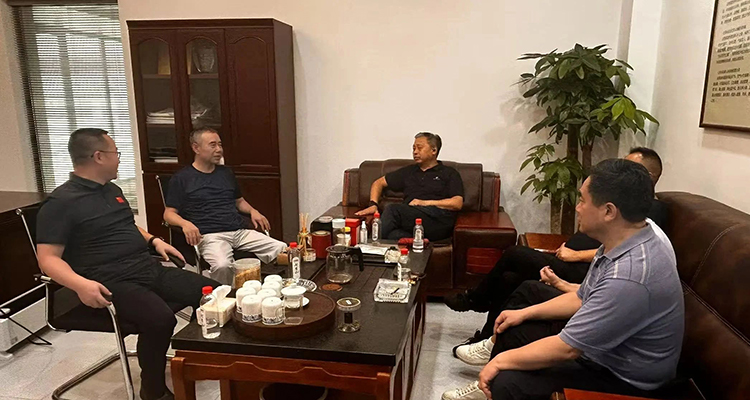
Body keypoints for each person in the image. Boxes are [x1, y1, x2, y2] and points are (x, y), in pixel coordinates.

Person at [441, 159, 684, 400]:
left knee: (508, 381)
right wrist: (523, 313)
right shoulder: (628, 236)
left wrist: (500, 362)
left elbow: (568, 348)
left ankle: (493, 382)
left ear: (609, 211)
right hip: (606, 353)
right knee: (515, 326)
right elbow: (582, 297)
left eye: (583, 200)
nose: (577, 208)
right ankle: (487, 384)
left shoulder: (629, 276)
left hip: (624, 378)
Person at [36, 128, 220, 400]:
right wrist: (81, 285)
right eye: (116, 153)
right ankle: (153, 390)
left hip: (146, 267)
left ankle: (194, 361)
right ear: (99, 157)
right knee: (160, 320)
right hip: (109, 282)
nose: (119, 159)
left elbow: (126, 226)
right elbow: (47, 259)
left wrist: (154, 241)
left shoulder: (112, 189)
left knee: (215, 295)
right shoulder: (61, 203)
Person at [444, 148, 667, 342]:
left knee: (515, 254)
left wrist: (575, 255)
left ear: (646, 177)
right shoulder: (619, 207)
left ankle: (477, 299)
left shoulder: (649, 211)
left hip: (578, 267)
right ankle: (487, 337)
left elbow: (622, 249)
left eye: (629, 167)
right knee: (509, 278)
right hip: (567, 260)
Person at [163, 127, 287, 285]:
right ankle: (224, 296)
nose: (219, 150)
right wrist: (185, 223)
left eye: (220, 145)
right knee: (222, 265)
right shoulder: (182, 178)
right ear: (196, 148)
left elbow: (239, 201)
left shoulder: (226, 173)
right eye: (212, 145)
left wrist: (253, 211)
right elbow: (168, 214)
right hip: (209, 235)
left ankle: (276, 288)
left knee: (283, 249)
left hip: (239, 231)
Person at [355, 132, 464, 241]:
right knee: (393, 235)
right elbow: (378, 183)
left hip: (437, 219)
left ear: (434, 150)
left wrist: (424, 203)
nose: (415, 152)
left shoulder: (449, 173)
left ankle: (370, 246)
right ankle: (420, 242)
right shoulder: (409, 172)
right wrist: (373, 204)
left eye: (419, 148)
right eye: (414, 148)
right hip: (412, 219)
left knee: (393, 210)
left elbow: (457, 203)